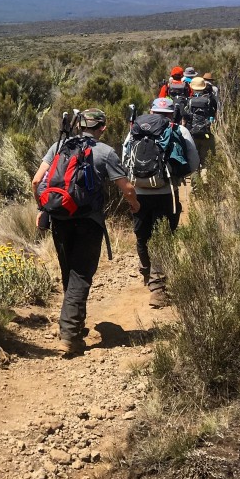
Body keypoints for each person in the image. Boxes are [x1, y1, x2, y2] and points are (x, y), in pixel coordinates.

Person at [32, 109, 140, 357]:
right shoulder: (105, 152)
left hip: (59, 218)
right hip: (88, 222)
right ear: (102, 128)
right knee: (82, 275)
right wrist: (135, 206)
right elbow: (127, 187)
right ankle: (69, 335)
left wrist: (42, 208)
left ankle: (75, 324)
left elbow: (37, 181)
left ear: (79, 126)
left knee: (70, 272)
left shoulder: (58, 145)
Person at [122, 96, 199, 308]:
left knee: (142, 234)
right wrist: (175, 177)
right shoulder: (179, 130)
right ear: (172, 112)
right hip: (167, 192)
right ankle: (158, 289)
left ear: (152, 111)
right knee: (164, 235)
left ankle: (146, 270)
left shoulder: (135, 130)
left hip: (139, 193)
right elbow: (193, 162)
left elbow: (124, 159)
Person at [186, 75, 218, 168]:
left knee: (194, 158)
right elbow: (214, 114)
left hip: (193, 132)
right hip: (206, 132)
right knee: (205, 158)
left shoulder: (190, 100)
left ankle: (195, 179)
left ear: (192, 87)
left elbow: (187, 116)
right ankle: (205, 178)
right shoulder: (210, 99)